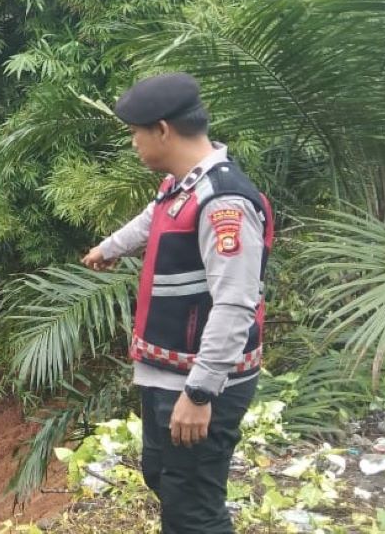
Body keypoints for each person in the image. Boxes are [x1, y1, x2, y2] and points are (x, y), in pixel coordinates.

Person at [81, 73, 273, 534]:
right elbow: (152, 219)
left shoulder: (224, 203)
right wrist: (108, 248)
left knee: (192, 510)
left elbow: (234, 305)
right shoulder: (181, 187)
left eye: (135, 133)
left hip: (202, 383)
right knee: (161, 474)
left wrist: (202, 392)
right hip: (166, 374)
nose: (133, 144)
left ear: (163, 130)